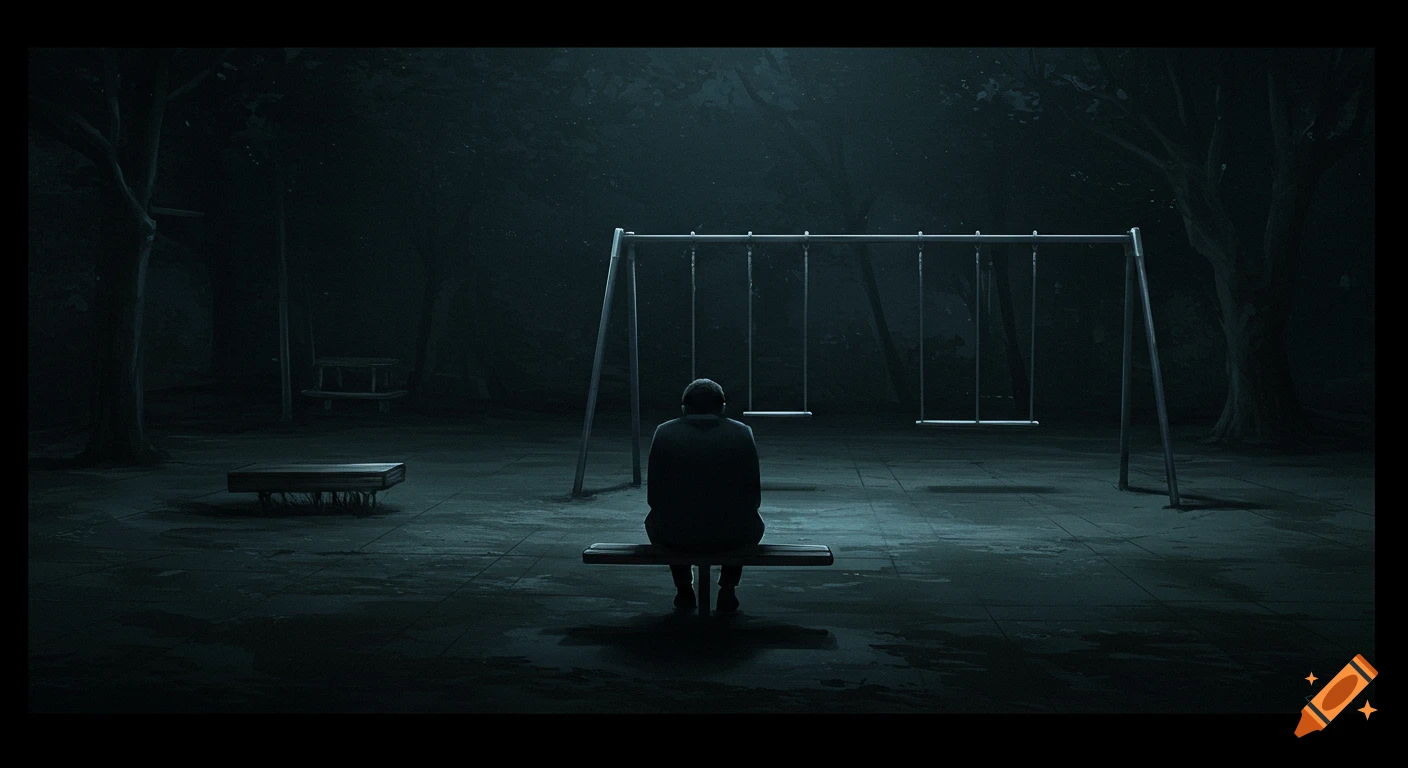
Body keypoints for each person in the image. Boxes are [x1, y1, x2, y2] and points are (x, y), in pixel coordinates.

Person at [645, 378, 765, 613]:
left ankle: (683, 589)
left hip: (676, 535)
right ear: (721, 407)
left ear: (684, 407)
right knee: (746, 520)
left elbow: (654, 497)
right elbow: (753, 497)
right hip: (732, 536)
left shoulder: (665, 433)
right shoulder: (741, 433)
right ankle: (728, 588)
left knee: (664, 518)